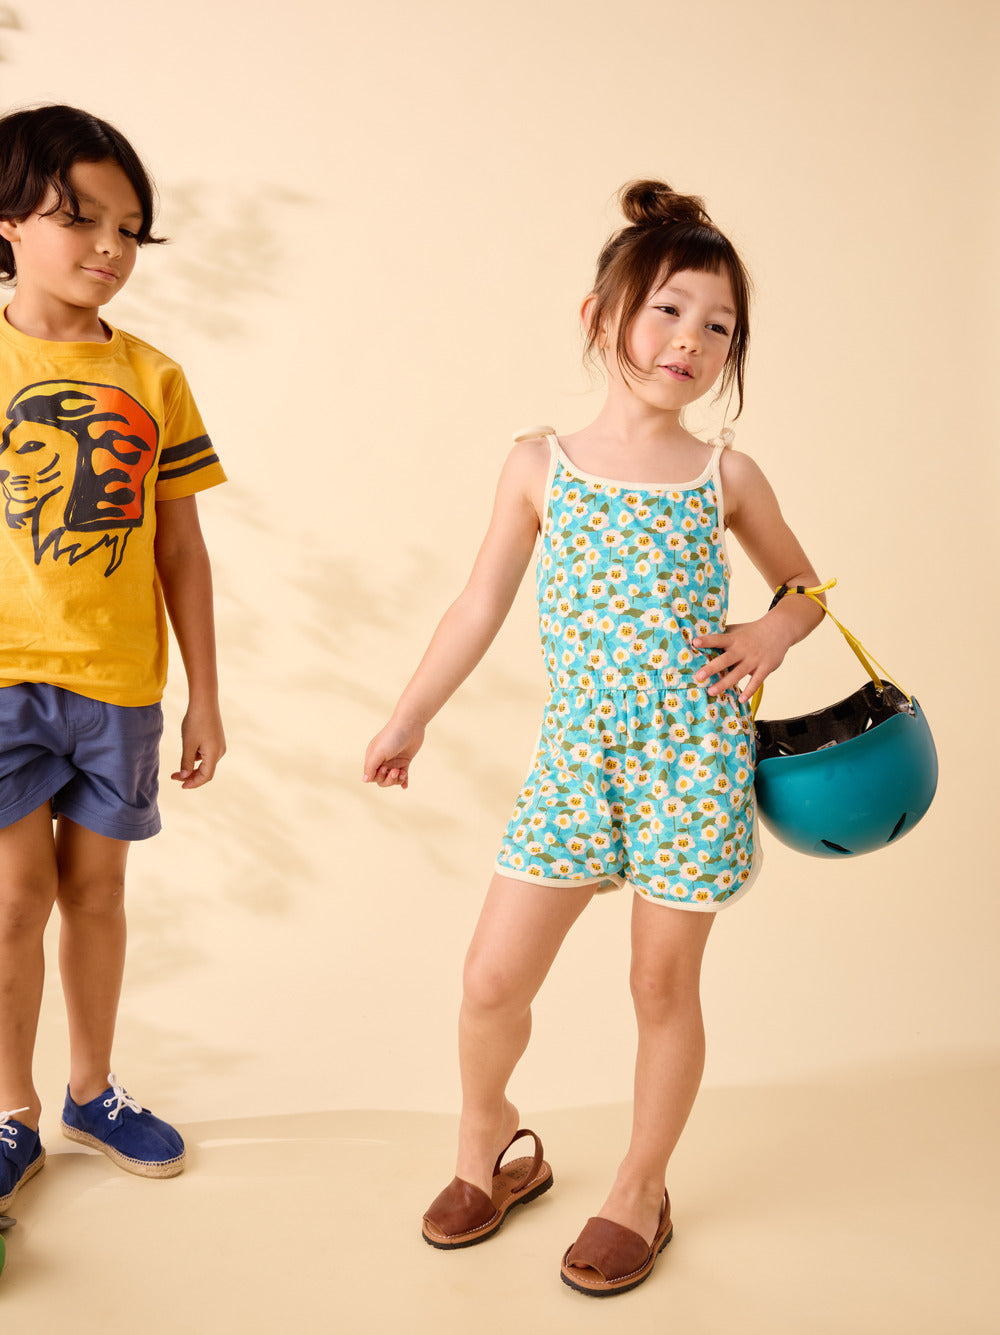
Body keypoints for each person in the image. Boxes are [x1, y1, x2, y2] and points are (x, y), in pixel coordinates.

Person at [363, 180, 825, 1296]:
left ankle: (639, 1189)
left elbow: (806, 587)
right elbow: (478, 604)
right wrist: (410, 711)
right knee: (489, 981)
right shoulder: (539, 464)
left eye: (719, 326)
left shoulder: (726, 475)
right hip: (576, 761)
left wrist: (771, 626)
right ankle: (491, 1152)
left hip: (693, 763)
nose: (691, 341)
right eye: (669, 309)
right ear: (599, 314)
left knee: (661, 988)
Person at [0, 104, 226, 1216]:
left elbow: (180, 543)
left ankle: (92, 1091)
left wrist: (204, 698)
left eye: (130, 229)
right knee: (11, 900)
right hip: (1, 681)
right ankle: (13, 1112)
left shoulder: (154, 375)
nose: (107, 247)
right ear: (7, 223)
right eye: (78, 217)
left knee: (97, 895)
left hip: (120, 686)